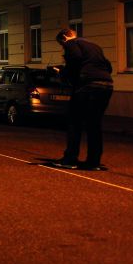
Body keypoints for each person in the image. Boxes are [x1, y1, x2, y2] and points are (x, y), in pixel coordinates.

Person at [52, 29, 114, 171]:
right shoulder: (94, 46)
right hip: (106, 85)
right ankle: (94, 161)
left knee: (75, 121)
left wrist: (63, 72)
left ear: (64, 37)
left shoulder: (71, 43)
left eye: (61, 44)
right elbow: (108, 66)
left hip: (87, 86)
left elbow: (75, 59)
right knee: (94, 124)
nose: (63, 47)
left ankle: (70, 159)